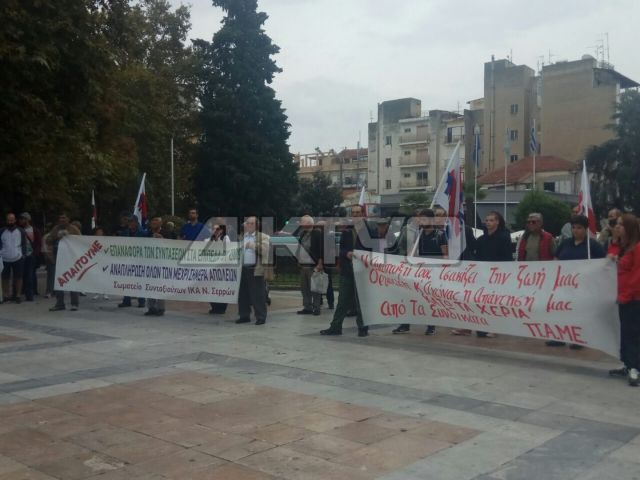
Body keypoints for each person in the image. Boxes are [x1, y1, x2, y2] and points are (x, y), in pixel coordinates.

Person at [547, 215, 606, 348]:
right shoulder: (565, 243)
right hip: (563, 284)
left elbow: (603, 262)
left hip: (583, 286)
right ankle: (559, 337)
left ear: (585, 229)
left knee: (579, 312)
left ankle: (578, 338)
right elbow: (556, 259)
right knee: (561, 311)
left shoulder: (592, 245)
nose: (575, 230)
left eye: (579, 228)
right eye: (573, 227)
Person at [453, 210, 512, 337]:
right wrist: (464, 230)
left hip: (497, 275)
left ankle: (494, 328)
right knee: (475, 301)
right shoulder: (482, 238)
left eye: (491, 220)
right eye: (487, 220)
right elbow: (473, 248)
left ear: (498, 222)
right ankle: (470, 327)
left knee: (493, 303)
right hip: (482, 275)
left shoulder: (504, 237)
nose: (488, 222)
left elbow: (507, 257)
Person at [393, 208, 447, 335]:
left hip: (433, 272)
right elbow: (412, 251)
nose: (421, 222)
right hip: (418, 272)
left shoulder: (440, 234)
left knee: (430, 300)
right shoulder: (418, 234)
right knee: (410, 297)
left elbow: (445, 254)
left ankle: (431, 326)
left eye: (424, 219)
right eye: (420, 219)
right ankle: (405, 325)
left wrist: (441, 270)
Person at [320, 205, 370, 337]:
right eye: (353, 213)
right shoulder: (347, 230)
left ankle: (363, 328)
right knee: (342, 300)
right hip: (348, 270)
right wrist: (346, 253)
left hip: (363, 271)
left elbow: (375, 249)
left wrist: (362, 255)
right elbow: (341, 249)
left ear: (363, 214)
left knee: (361, 302)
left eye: (358, 212)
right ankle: (335, 327)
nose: (356, 215)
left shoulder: (369, 230)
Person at [608, 214, 640, 387]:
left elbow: (637, 276)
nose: (617, 227)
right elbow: (611, 257)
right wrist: (614, 242)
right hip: (623, 297)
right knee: (625, 332)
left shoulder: (637, 248)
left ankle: (635, 367)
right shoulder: (623, 247)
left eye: (621, 225)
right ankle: (628, 364)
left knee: (632, 333)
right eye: (616, 224)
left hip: (634, 298)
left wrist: (626, 296)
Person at [235, 216, 271, 325]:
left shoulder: (263, 236)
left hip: (255, 269)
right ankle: (244, 315)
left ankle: (260, 317)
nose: (248, 225)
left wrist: (251, 245)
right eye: (247, 223)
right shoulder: (242, 237)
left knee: (258, 294)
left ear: (256, 225)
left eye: (251, 223)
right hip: (242, 268)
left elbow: (265, 250)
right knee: (243, 294)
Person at [48, 214, 81, 311]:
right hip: (58, 258)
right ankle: (60, 303)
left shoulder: (73, 229)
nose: (62, 219)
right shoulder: (56, 229)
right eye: (60, 218)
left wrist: (69, 236)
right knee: (59, 281)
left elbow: (81, 241)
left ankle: (74, 304)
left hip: (71, 259)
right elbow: (48, 240)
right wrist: (56, 236)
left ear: (68, 219)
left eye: (64, 218)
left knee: (72, 280)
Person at [297, 215, 324, 316]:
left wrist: (320, 263)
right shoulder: (302, 234)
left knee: (315, 287)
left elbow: (321, 248)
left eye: (302, 222)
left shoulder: (317, 233)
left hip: (314, 265)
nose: (301, 224)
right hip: (303, 265)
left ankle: (316, 307)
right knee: (305, 288)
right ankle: (307, 307)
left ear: (309, 223)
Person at [117, 216, 146, 308]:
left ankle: (141, 301)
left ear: (136, 223)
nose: (130, 223)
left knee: (140, 281)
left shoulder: (143, 233)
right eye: (129, 222)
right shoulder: (125, 232)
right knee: (127, 281)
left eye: (132, 221)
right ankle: (126, 300)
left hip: (139, 260)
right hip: (128, 259)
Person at [0, 213, 27, 303]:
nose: (10, 222)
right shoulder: (2, 231)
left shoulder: (21, 231)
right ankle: (6, 295)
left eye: (11, 220)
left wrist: (23, 255)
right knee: (4, 277)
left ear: (15, 220)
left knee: (18, 277)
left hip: (18, 257)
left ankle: (18, 295)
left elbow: (24, 243)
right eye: (8, 220)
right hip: (4, 258)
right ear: (6, 221)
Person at [144, 217, 166, 316]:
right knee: (149, 286)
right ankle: (151, 307)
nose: (154, 224)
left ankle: (161, 308)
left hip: (162, 263)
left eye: (156, 223)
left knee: (161, 286)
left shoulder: (166, 233)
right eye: (152, 223)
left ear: (160, 224)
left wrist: (163, 239)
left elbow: (173, 245)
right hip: (150, 263)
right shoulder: (147, 234)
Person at [18, 213, 41, 301]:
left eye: (22, 219)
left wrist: (35, 253)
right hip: (20, 255)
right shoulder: (19, 230)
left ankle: (30, 294)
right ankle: (23, 292)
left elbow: (38, 243)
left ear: (27, 220)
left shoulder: (34, 230)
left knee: (29, 275)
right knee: (22, 274)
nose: (20, 220)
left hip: (30, 255)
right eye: (20, 219)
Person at [209, 222, 231, 315]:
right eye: (213, 229)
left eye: (217, 229)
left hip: (222, 267)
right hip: (212, 267)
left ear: (222, 230)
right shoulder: (210, 239)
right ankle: (214, 306)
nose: (215, 231)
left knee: (221, 287)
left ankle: (221, 308)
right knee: (212, 287)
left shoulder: (225, 238)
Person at [91, 227, 109, 300]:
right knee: (97, 277)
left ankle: (105, 293)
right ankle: (97, 293)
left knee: (104, 277)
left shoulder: (106, 240)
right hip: (96, 260)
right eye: (98, 232)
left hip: (104, 260)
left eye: (101, 231)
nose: (99, 233)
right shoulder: (92, 240)